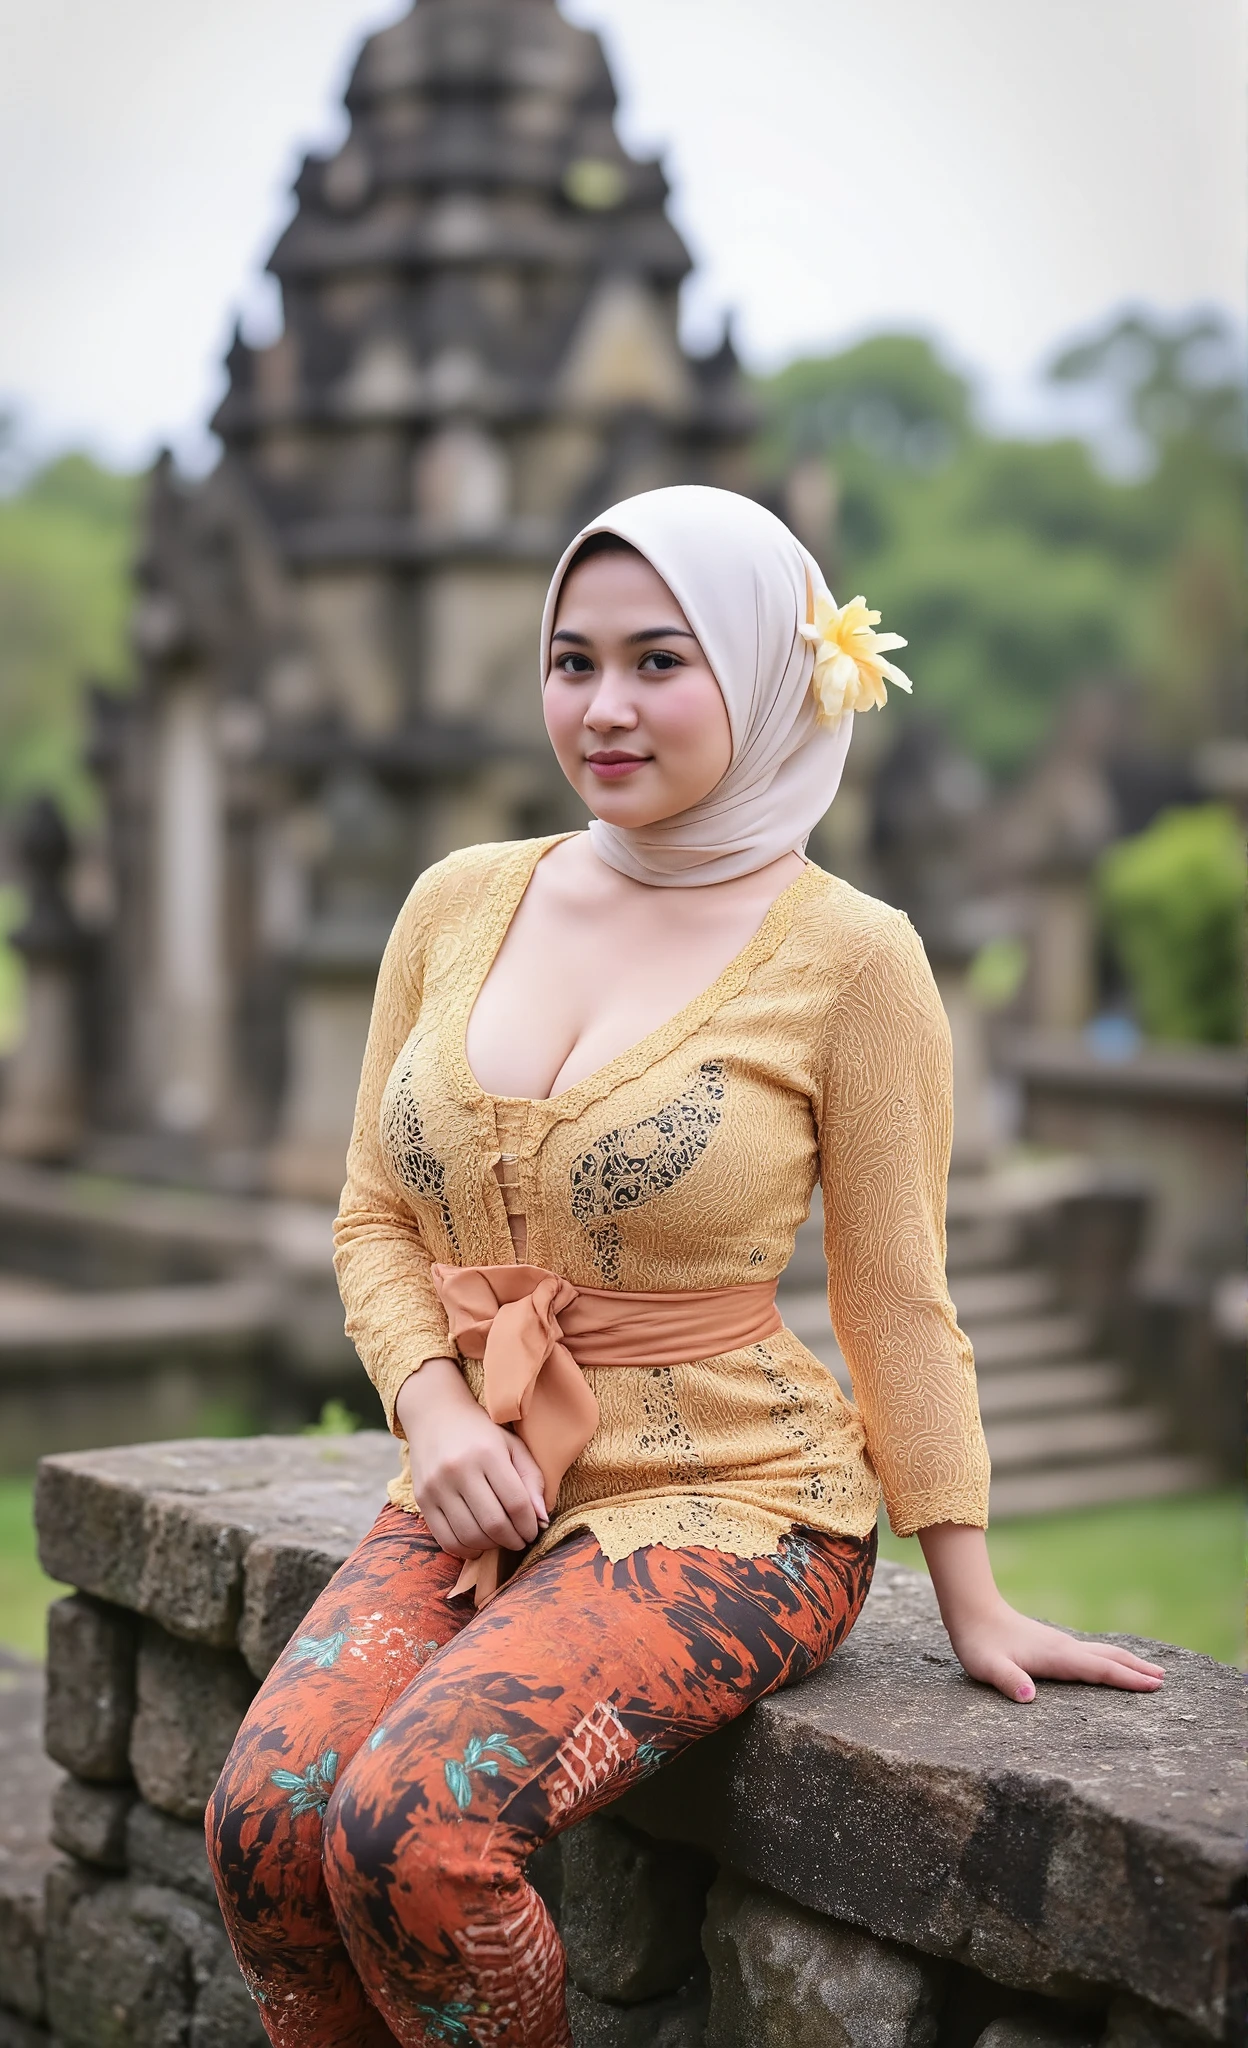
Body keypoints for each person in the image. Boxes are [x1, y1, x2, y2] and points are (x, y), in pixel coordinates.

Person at [207, 486, 1163, 2048]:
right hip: (487, 1473)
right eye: (571, 662)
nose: (604, 708)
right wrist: (437, 1416)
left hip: (734, 1498)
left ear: (772, 677)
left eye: (661, 661)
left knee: (417, 1843)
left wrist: (972, 1596)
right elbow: (376, 1213)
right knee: (265, 1829)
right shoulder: (459, 900)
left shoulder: (854, 958)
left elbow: (899, 1299)